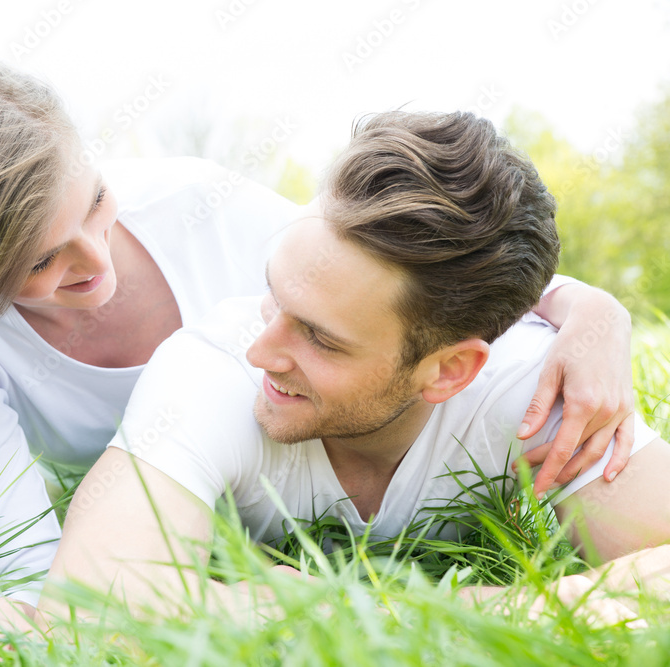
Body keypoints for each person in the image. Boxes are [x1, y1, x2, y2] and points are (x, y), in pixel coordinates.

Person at [0, 51, 635, 611]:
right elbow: (50, 588)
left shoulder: (195, 205)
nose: (94, 262)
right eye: (39, 261)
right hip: (176, 485)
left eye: (96, 204)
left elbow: (381, 268)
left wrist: (590, 306)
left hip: (284, 467)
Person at [35, 110, 670, 625]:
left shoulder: (533, 389)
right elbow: (91, 600)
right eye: (276, 298)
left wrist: (315, 605)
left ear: (449, 371)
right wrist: (541, 606)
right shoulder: (214, 369)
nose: (264, 350)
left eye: (320, 338)